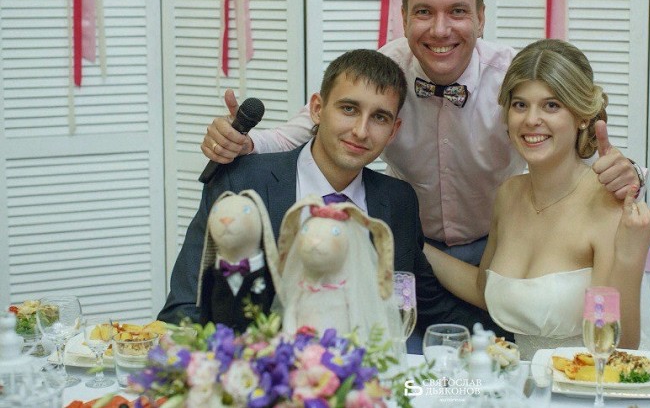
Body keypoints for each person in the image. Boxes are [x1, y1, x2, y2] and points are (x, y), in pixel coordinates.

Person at [200, 0, 643, 264]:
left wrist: (631, 175)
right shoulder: (386, 71)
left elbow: (576, 144)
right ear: (404, 17)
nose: (440, 29)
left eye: (457, 12)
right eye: (424, 12)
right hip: (408, 247)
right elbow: (304, 130)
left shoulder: (514, 77)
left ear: (481, 17)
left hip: (502, 248)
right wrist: (244, 143)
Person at [158, 49, 489, 346]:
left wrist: (501, 338)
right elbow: (187, 303)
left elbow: (424, 301)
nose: (361, 131)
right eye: (349, 109)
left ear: (393, 130)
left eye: (379, 117)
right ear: (317, 109)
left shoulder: (397, 199)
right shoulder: (243, 181)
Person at [423, 39, 650, 360]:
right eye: (520, 105)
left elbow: (619, 344)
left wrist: (631, 255)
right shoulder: (508, 194)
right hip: (525, 381)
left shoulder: (608, 202)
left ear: (582, 117)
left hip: (593, 377)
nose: (531, 120)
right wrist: (409, 240)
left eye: (551, 106)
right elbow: (484, 290)